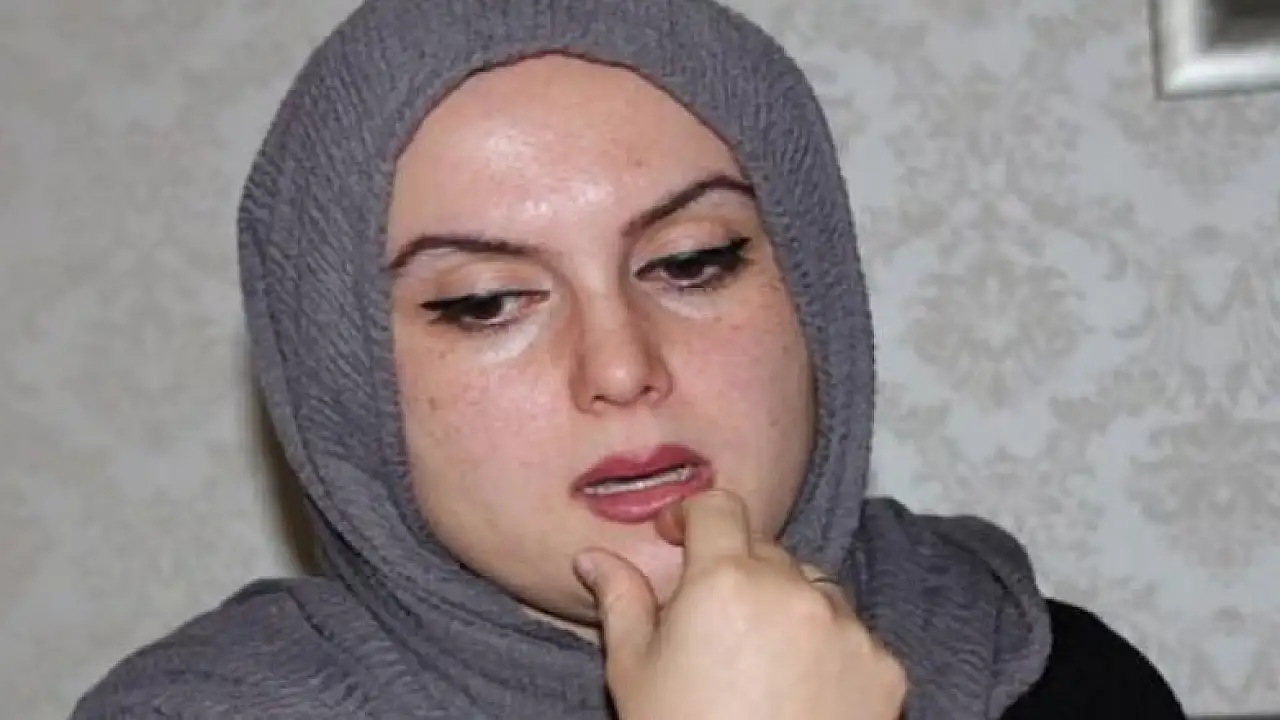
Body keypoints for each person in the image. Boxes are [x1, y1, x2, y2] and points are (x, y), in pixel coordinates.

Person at [72, 1, 1187, 718]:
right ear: (344, 382)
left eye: (693, 262)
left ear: (815, 294)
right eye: (484, 302)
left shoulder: (1046, 678)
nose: (618, 366)